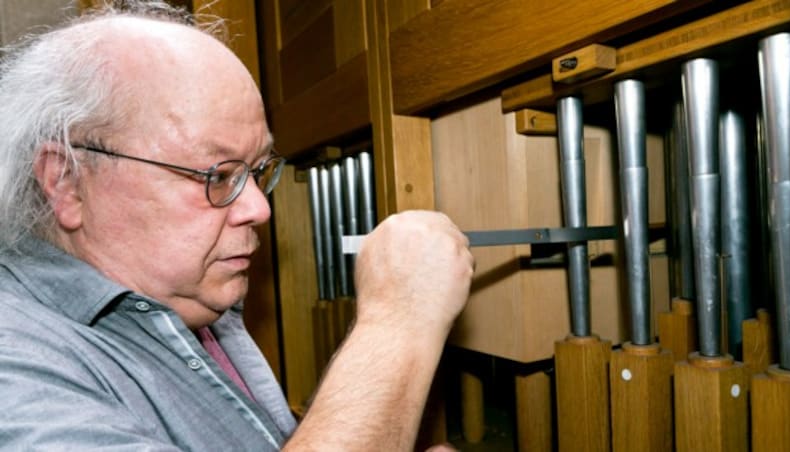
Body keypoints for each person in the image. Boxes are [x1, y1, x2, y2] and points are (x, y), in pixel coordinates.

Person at [0, 1, 474, 450]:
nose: (259, 208)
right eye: (218, 175)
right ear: (67, 182)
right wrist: (397, 323)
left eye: (257, 170)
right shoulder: (15, 369)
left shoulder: (190, 293)